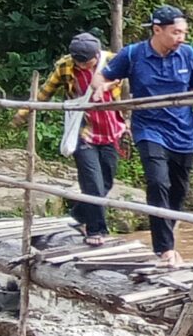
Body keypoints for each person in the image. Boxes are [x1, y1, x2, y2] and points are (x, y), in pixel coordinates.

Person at [103, 7, 193, 267]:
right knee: (158, 182)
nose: (181, 37)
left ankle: (168, 237)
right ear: (157, 30)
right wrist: (100, 89)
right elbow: (102, 78)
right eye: (175, 32)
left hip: (183, 133)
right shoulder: (133, 54)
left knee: (178, 192)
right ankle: (165, 249)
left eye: (184, 32)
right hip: (149, 130)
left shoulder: (188, 55)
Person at [32, 32, 128, 246]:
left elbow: (123, 80)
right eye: (80, 62)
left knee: (106, 182)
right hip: (83, 132)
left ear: (97, 55)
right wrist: (24, 111)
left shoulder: (112, 61)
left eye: (89, 62)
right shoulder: (65, 66)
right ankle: (97, 230)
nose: (85, 66)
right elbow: (46, 91)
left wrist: (105, 85)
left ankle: (78, 216)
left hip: (111, 130)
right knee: (93, 183)